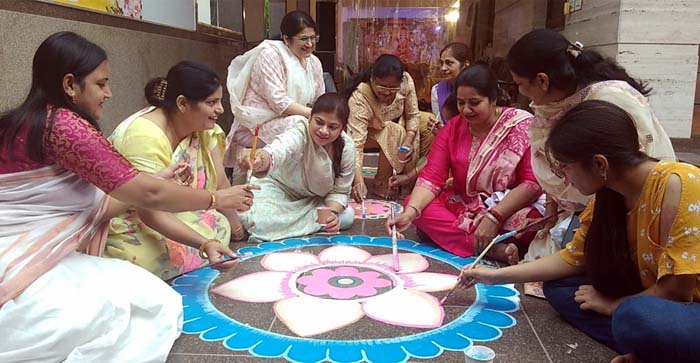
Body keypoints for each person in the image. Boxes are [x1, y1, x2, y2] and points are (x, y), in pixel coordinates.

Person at [0, 32, 254, 362]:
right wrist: (216, 200)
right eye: (101, 83)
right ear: (70, 85)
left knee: (155, 301)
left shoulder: (44, 120)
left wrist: (165, 187)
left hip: (51, 243)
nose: (110, 93)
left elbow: (120, 194)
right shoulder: (66, 127)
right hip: (19, 249)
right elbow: (147, 195)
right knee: (116, 315)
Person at [460, 100, 700, 363]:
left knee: (636, 317)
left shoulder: (681, 184)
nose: (564, 178)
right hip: (644, 297)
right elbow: (572, 257)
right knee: (559, 287)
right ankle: (650, 349)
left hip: (687, 308)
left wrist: (611, 306)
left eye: (565, 166)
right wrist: (493, 277)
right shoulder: (608, 195)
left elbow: (678, 291)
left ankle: (650, 345)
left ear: (599, 164)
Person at [507, 29, 676, 260]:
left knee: (573, 278)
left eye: (519, 84)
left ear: (542, 80)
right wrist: (552, 214)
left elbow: (634, 172)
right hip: (585, 214)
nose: (520, 92)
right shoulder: (553, 104)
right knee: (555, 276)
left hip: (625, 213)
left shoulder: (609, 99)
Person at [387, 64, 543, 264]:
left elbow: (531, 184)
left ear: (493, 98)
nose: (466, 110)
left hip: (508, 209)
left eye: (474, 102)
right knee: (414, 206)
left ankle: (463, 239)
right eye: (461, 103)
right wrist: (409, 214)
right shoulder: (453, 128)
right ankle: (490, 249)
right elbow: (432, 177)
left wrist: (494, 217)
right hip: (465, 205)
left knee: (533, 223)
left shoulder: (520, 126)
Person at [106, 61, 249, 280]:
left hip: (181, 212)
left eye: (220, 101)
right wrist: (206, 239)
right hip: (138, 220)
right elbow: (150, 207)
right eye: (212, 102)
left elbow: (219, 180)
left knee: (218, 224)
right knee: (144, 257)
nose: (220, 109)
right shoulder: (144, 136)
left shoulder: (203, 128)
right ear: (182, 103)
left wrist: (238, 229)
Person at [224, 10, 325, 184]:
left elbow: (320, 98)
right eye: (303, 39)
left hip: (296, 118)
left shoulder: (314, 62)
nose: (310, 44)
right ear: (286, 39)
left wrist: (324, 116)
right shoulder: (270, 54)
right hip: (256, 126)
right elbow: (280, 103)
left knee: (325, 127)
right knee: (302, 125)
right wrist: (315, 115)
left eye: (313, 38)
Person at [238, 93, 355, 241]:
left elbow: (341, 190)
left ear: (342, 128)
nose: (324, 131)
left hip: (314, 201)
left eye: (332, 127)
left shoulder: (347, 147)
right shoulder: (300, 131)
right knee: (251, 215)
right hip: (278, 190)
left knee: (347, 216)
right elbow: (279, 149)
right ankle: (303, 228)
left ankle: (289, 229)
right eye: (319, 122)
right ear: (310, 117)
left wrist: (332, 213)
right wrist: (261, 158)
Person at [346, 54, 434, 200]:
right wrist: (358, 181)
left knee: (428, 122)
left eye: (393, 88)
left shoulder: (406, 82)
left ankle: (412, 177)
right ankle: (381, 182)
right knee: (393, 131)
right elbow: (356, 143)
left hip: (398, 123)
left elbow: (412, 115)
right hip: (367, 134)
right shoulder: (360, 97)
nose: (387, 92)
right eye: (382, 86)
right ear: (372, 79)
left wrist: (408, 140)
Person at [431, 42, 472, 124]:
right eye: (441, 63)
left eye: (449, 63)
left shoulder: (479, 89)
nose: (443, 68)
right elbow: (441, 123)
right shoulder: (437, 91)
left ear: (465, 65)